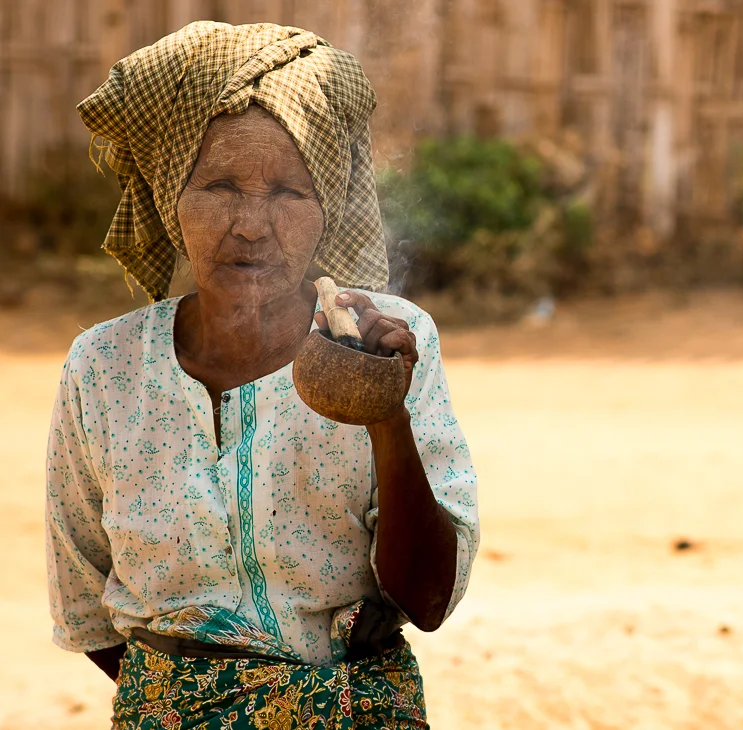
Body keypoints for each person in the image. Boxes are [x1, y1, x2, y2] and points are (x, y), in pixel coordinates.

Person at [44, 21, 479, 729]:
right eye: (217, 185)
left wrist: (385, 414)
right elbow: (85, 608)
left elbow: (427, 602)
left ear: (327, 205)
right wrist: (200, 701)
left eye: (289, 191)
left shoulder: (390, 343)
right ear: (167, 193)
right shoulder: (105, 368)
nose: (251, 224)